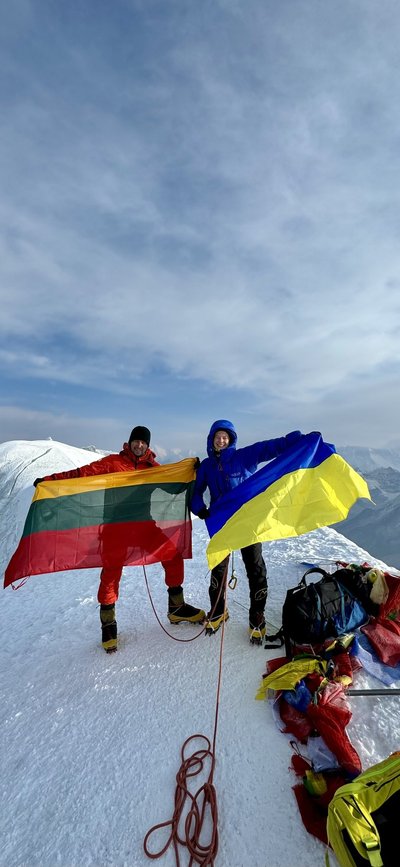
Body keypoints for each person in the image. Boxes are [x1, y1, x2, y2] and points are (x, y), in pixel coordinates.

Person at [34, 426, 205, 652]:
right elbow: (81, 474)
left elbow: (172, 487)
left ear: (148, 445)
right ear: (130, 442)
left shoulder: (152, 469)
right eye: (136, 441)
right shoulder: (113, 463)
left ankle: (176, 607)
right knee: (111, 572)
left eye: (143, 442)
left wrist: (191, 472)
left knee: (172, 553)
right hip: (115, 528)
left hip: (144, 526)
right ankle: (108, 623)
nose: (139, 445)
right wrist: (50, 481)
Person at [190, 420, 304, 643]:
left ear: (231, 439)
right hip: (222, 523)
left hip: (247, 522)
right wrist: (200, 508)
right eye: (217, 437)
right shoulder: (206, 466)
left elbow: (269, 448)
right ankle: (218, 610)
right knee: (218, 569)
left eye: (225, 437)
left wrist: (291, 441)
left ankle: (256, 615)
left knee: (255, 567)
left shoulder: (244, 456)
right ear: (211, 440)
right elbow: (196, 492)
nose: (221, 440)